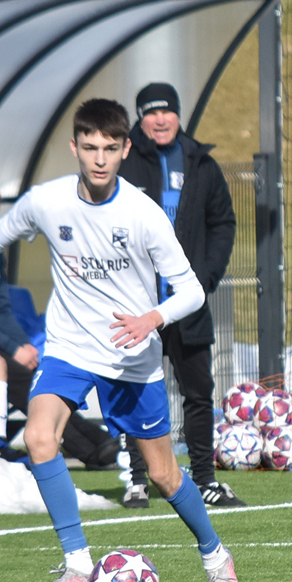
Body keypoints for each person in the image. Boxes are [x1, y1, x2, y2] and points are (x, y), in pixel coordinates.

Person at [0, 98, 245, 582]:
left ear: (126, 149)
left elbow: (192, 292)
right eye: (90, 148)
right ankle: (78, 566)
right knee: (41, 437)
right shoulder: (47, 201)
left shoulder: (143, 214)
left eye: (111, 148)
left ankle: (218, 563)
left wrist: (151, 319)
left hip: (132, 358)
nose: (100, 159)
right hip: (69, 347)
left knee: (164, 476)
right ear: (74, 148)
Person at [0, 179, 120, 468]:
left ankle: (97, 441)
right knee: (19, 372)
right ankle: (90, 448)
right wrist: (14, 351)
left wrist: (24, 346)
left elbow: (1, 310)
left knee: (37, 370)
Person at [117, 82, 243, 508]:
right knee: (136, 390)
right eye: (151, 113)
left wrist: (205, 276)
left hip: (186, 301)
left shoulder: (200, 162)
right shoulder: (124, 160)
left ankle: (205, 478)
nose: (160, 119)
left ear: (177, 114)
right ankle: (137, 479)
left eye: (166, 111)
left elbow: (223, 222)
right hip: (139, 305)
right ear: (140, 118)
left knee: (197, 391)